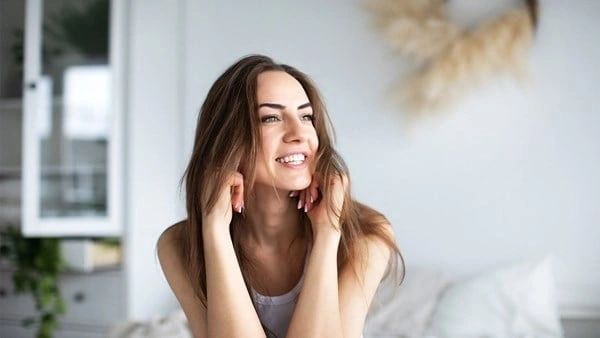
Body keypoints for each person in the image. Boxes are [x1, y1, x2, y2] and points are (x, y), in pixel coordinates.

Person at [157, 54, 405, 338]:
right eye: (270, 118)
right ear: (227, 139)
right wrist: (214, 230)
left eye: (306, 116)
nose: (299, 133)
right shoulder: (178, 245)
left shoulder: (366, 234)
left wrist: (327, 234)